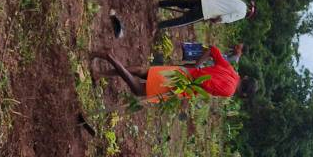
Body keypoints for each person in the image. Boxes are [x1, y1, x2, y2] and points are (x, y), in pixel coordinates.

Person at [89, 50, 256, 102]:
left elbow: (212, 50)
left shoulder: (231, 71)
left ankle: (100, 74)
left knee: (143, 71)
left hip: (184, 72)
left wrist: (196, 66)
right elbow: (206, 84)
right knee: (139, 90)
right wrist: (189, 89)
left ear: (246, 79)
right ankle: (110, 57)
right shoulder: (229, 91)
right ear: (244, 94)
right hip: (181, 84)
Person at [157, 0, 255, 30]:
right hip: (207, 12)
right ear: (248, 14)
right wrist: (215, 21)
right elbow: (225, 18)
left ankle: (161, 3)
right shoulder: (242, 13)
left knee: (183, 3)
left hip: (206, 1)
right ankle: (159, 25)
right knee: (182, 21)